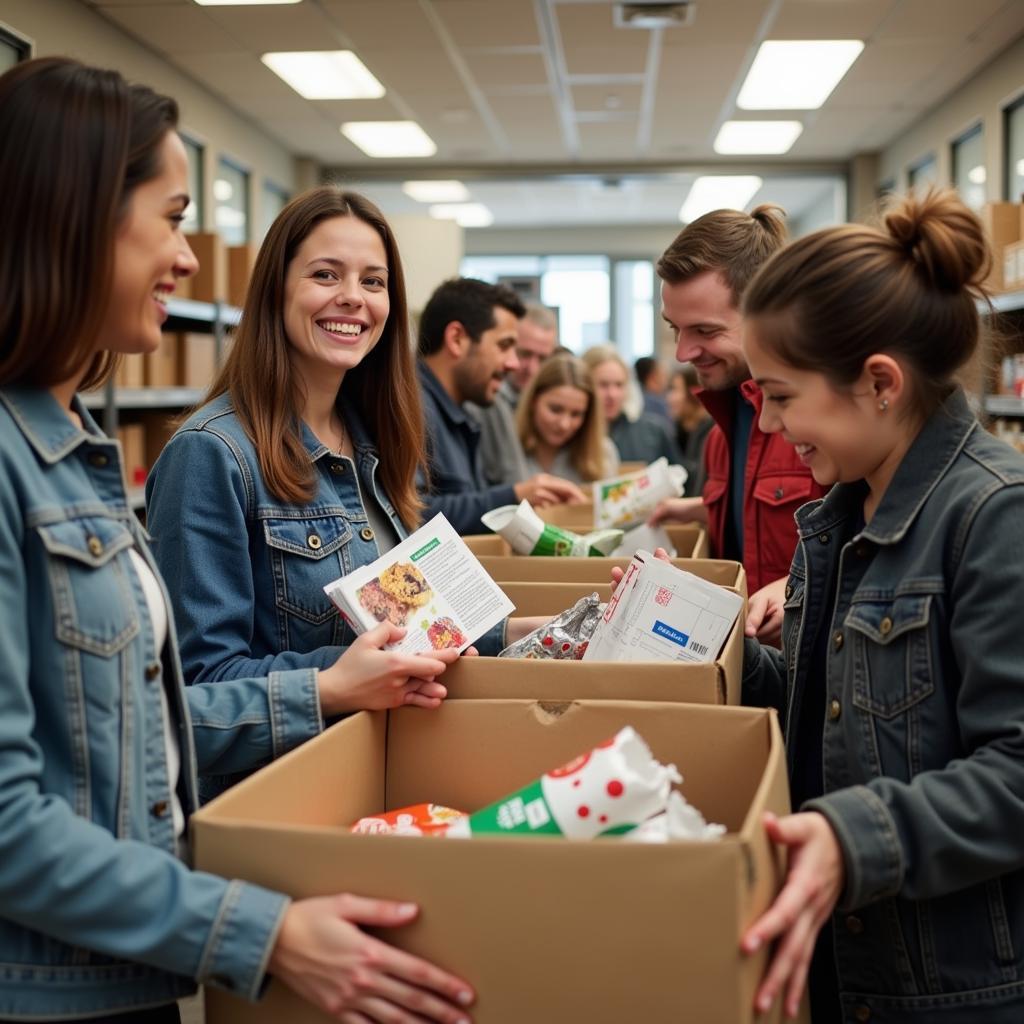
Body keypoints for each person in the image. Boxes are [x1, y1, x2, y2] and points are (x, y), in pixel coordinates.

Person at [0, 57, 474, 1023]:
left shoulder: (79, 447)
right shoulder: (200, 456)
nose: (185, 256)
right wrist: (260, 924)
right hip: (102, 954)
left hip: (143, 943)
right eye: (173, 218)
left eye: (375, 280)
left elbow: (139, 726)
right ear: (78, 215)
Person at [738, 188, 1024, 1023]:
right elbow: (839, 710)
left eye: (784, 395)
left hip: (952, 991)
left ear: (880, 383)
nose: (772, 422)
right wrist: (712, 653)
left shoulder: (992, 516)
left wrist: (853, 836)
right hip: (849, 965)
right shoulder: (842, 512)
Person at [146, 187, 472, 801]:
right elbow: (191, 697)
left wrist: (564, 629)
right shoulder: (211, 455)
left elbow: (411, 623)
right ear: (276, 291)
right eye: (326, 274)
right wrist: (336, 681)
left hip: (371, 775)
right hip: (275, 801)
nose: (353, 296)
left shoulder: (372, 443)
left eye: (374, 282)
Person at [649, 205, 829, 643]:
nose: (683, 353)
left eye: (705, 332)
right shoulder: (720, 433)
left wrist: (799, 588)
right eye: (676, 329)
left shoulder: (823, 427)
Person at [417, 278, 585, 534]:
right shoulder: (411, 408)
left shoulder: (461, 411)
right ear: (457, 339)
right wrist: (514, 495)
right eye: (505, 346)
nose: (514, 364)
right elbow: (412, 514)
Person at [469, 300, 558, 485]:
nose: (531, 368)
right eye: (524, 354)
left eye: (542, 358)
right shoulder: (485, 399)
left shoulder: (550, 398)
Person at [516, 354, 619, 483]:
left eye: (576, 414)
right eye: (555, 409)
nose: (564, 424)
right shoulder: (508, 445)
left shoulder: (602, 453)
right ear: (533, 401)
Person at [582, 344, 681, 466]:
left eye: (619, 385)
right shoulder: (570, 432)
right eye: (603, 385)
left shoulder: (654, 432)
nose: (612, 395)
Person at [666, 364, 713, 496]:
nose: (669, 398)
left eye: (675, 390)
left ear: (693, 392)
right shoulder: (677, 432)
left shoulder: (711, 434)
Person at [634, 355, 671, 422]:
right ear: (653, 377)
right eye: (663, 374)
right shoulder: (658, 406)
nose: (666, 379)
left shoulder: (636, 400)